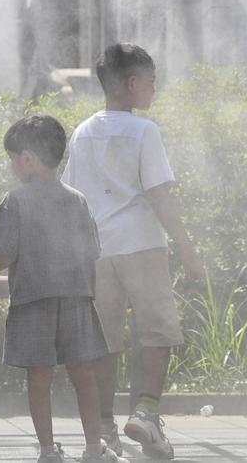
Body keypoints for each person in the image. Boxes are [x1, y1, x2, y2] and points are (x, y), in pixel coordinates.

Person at [62, 43, 205, 459]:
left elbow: (75, 197)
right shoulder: (145, 131)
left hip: (98, 250)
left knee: (105, 340)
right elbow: (159, 195)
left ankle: (105, 426)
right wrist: (187, 248)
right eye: (151, 81)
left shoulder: (83, 131)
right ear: (131, 83)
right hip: (142, 245)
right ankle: (147, 412)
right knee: (157, 330)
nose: (154, 89)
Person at [0, 115, 124, 463]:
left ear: (28, 158)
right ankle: (92, 448)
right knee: (83, 374)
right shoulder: (77, 200)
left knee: (39, 377)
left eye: (13, 158)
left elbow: (5, 254)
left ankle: (47, 450)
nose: (12, 166)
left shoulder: (17, 200)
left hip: (32, 301)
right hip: (76, 299)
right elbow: (93, 250)